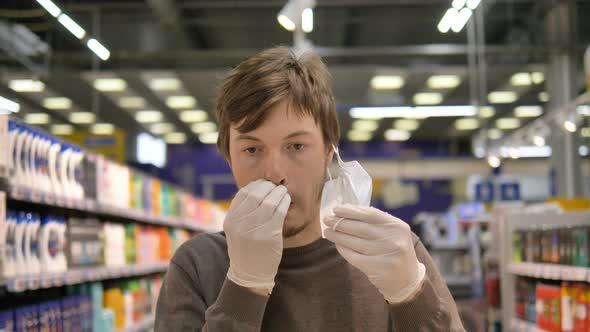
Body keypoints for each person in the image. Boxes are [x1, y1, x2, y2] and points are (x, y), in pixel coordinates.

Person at [155, 47, 466, 332]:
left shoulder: (389, 253)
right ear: (229, 158)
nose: (275, 173)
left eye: (296, 146)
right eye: (252, 149)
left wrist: (411, 296)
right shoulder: (196, 266)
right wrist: (243, 288)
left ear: (327, 153)